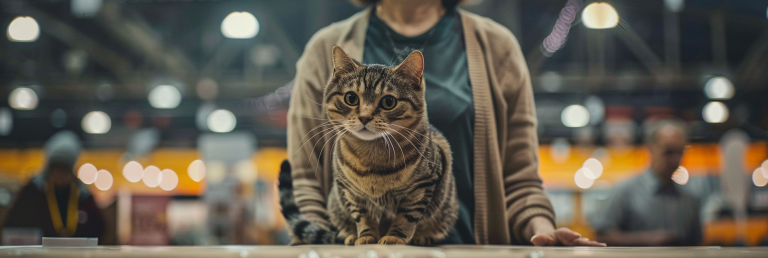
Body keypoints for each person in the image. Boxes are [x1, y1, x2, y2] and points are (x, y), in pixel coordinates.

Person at [287, 0, 604, 246]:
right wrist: (318, 248)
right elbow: (305, 180)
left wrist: (543, 231)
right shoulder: (323, 49)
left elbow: (520, 181)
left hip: (469, 250)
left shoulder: (497, 46)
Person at [591, 120, 702, 246]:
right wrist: (648, 240)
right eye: (669, 152)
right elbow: (601, 236)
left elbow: (696, 242)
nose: (675, 160)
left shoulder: (690, 199)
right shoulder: (625, 191)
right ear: (650, 148)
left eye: (680, 152)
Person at [2, 131, 105, 240]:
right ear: (49, 170)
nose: (60, 174)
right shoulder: (32, 192)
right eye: (56, 169)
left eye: (65, 169)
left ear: (71, 171)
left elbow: (100, 229)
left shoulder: (83, 196)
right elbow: (12, 226)